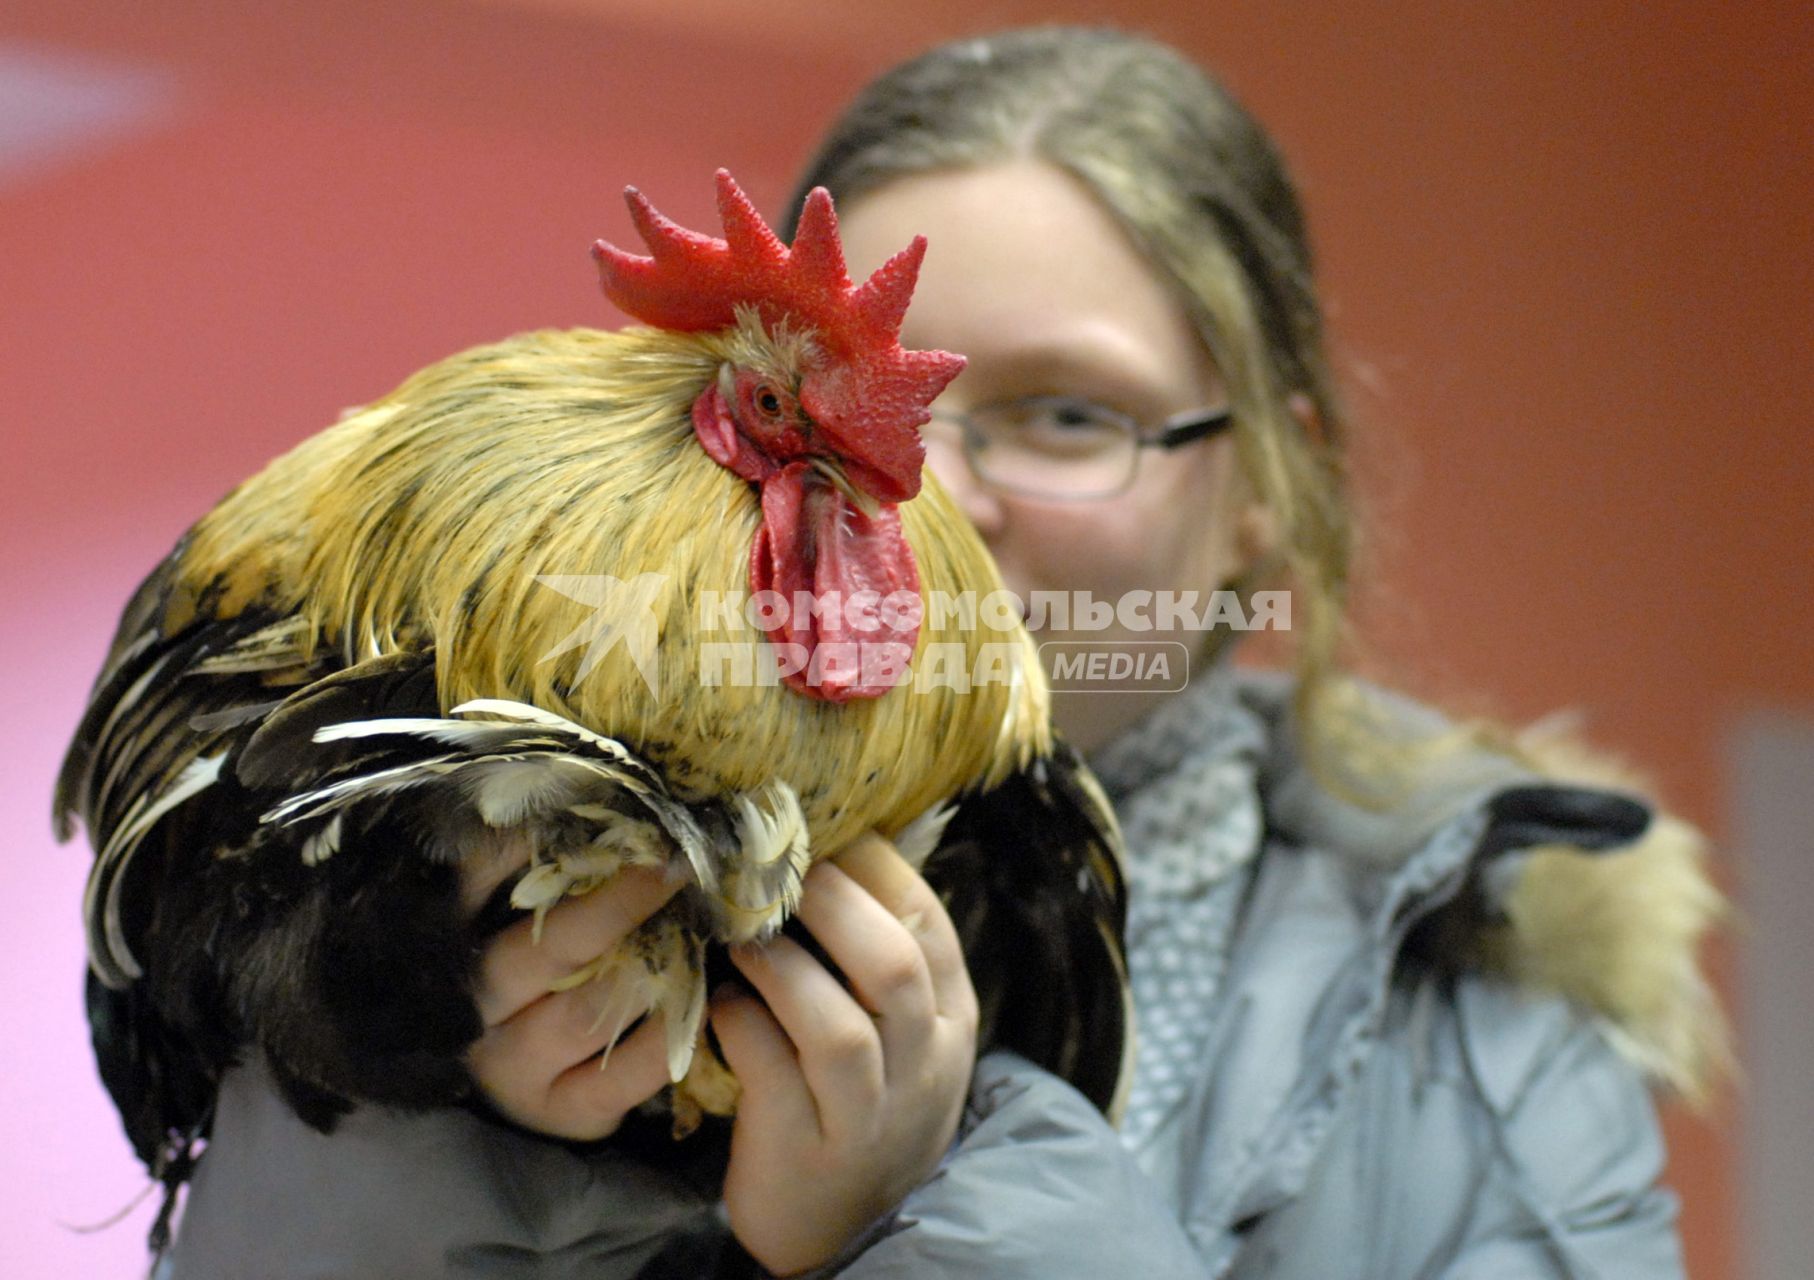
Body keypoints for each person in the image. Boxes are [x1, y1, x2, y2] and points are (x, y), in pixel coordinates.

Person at [156, 24, 1726, 1279]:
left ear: (1260, 486)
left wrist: (911, 1224)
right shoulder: (438, 861)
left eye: (1067, 415)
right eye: (845, 408)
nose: (941, 496)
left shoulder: (1484, 1028)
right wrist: (422, 1091)